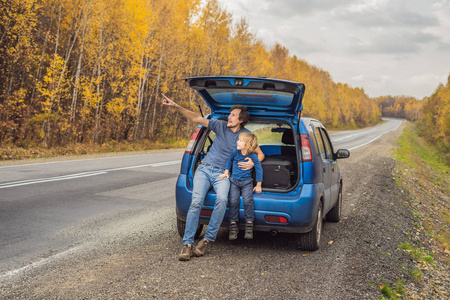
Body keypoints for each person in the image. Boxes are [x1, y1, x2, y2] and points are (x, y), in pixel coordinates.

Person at [161, 93, 265, 261]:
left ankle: (207, 240)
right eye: (230, 114)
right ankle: (187, 245)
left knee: (222, 200)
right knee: (196, 202)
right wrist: (176, 106)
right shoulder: (220, 126)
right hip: (204, 169)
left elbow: (260, 154)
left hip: (222, 174)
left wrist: (253, 163)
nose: (229, 117)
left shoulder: (245, 136)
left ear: (241, 120)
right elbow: (196, 118)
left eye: (233, 115)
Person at [219, 132, 263, 240]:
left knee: (248, 201)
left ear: (247, 145)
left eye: (240, 140)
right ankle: (233, 225)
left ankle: (249, 225)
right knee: (233, 201)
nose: (237, 141)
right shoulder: (235, 152)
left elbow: (259, 168)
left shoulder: (252, 155)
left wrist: (258, 185)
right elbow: (229, 162)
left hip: (247, 182)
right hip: (234, 181)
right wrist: (226, 173)